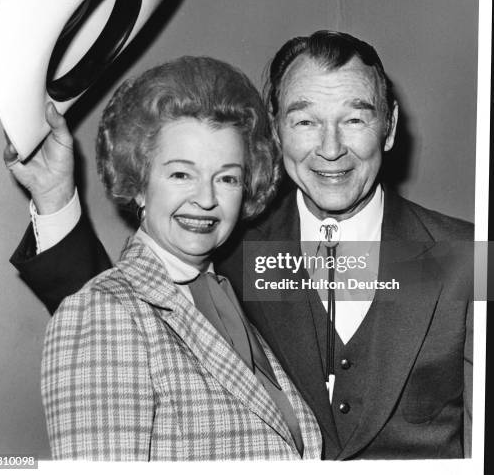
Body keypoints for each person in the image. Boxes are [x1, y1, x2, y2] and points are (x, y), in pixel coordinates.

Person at [8, 30, 473, 460]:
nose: (330, 149)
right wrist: (55, 198)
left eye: (354, 118)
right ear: (275, 131)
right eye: (305, 121)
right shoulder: (234, 243)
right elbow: (128, 310)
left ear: (388, 128)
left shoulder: (462, 256)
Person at [35, 56, 323, 460]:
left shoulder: (226, 298)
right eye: (181, 174)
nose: (206, 199)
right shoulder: (105, 311)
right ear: (138, 183)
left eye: (227, 178)